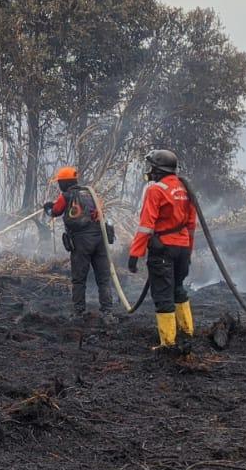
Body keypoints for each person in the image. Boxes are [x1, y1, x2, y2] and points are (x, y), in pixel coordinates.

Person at [126, 149, 196, 348]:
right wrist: (189, 252)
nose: (150, 172)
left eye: (152, 168)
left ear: (158, 169)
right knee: (178, 289)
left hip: (163, 249)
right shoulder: (185, 188)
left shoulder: (156, 190)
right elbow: (191, 225)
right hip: (182, 248)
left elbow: (146, 225)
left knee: (163, 295)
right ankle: (187, 331)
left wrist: (134, 254)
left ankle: (168, 343)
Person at [43, 166, 117, 317]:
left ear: (63, 183)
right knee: (103, 277)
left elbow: (55, 211)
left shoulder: (67, 195)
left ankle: (78, 311)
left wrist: (47, 208)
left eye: (59, 182)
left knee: (79, 278)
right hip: (100, 239)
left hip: (81, 241)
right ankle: (107, 310)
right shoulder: (90, 193)